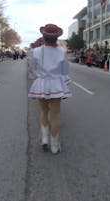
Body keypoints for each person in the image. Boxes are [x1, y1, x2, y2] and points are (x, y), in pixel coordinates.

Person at [28, 24, 71, 154]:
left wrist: (41, 76)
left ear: (43, 36)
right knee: (55, 115)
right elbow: (65, 71)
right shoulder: (61, 52)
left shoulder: (35, 51)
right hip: (56, 85)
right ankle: (54, 146)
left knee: (44, 111)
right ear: (56, 37)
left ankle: (45, 139)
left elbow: (32, 68)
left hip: (41, 84)